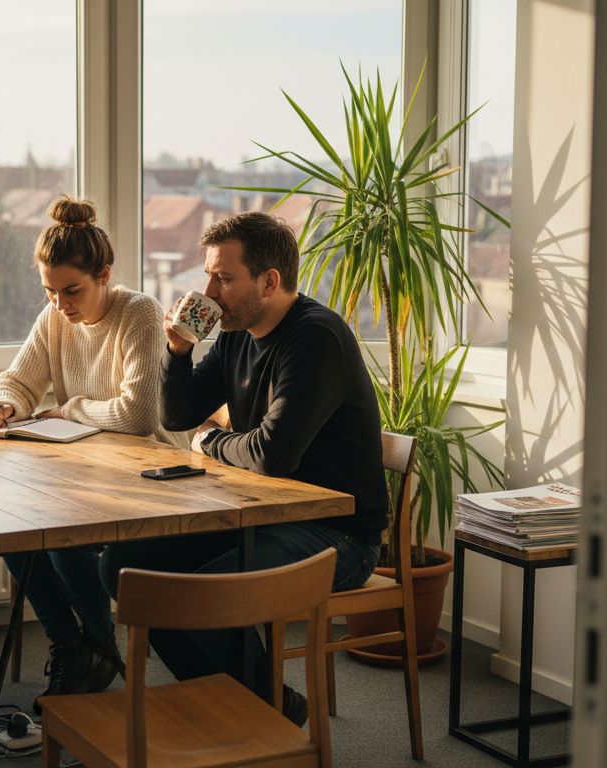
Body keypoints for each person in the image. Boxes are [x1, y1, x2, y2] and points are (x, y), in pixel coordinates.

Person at [98, 211, 389, 726]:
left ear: (269, 281)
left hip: (338, 535)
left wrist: (212, 442)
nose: (209, 291)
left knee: (194, 599)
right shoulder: (236, 331)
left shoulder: (315, 338)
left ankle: (265, 708)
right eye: (209, 275)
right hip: (265, 518)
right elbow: (178, 415)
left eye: (224, 278)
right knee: (124, 566)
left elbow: (272, 455)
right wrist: (178, 350)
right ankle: (241, 702)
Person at [0, 195, 164, 709]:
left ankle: (98, 648)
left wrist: (72, 408)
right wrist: (7, 407)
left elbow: (139, 416)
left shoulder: (138, 313)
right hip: (82, 469)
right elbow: (19, 380)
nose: (60, 304)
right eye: (49, 291)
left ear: (104, 274)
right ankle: (75, 645)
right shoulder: (55, 317)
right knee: (12, 531)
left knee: (60, 539)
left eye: (71, 291)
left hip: (143, 473)